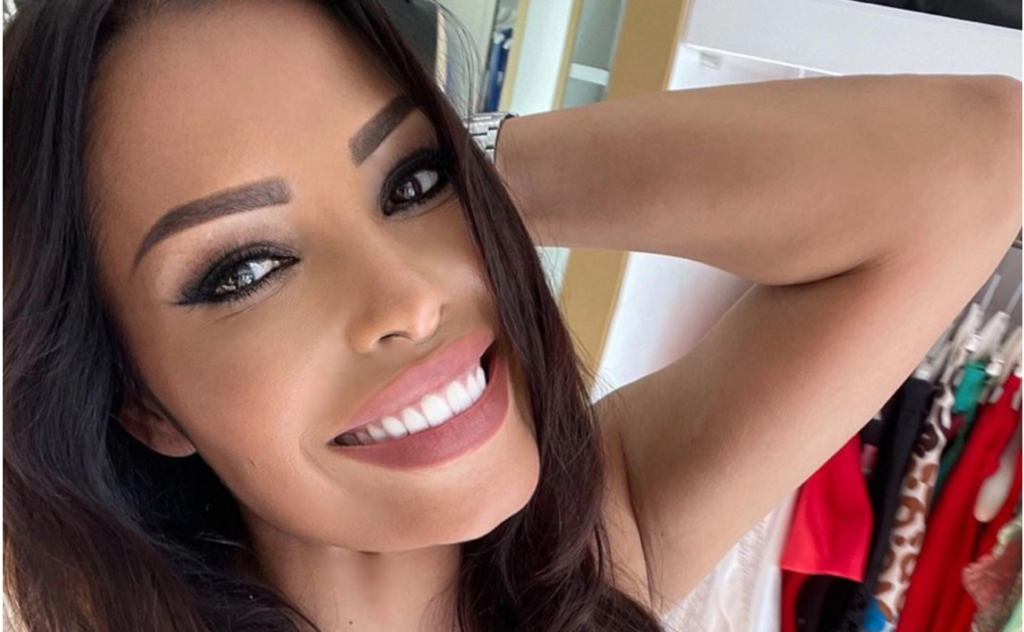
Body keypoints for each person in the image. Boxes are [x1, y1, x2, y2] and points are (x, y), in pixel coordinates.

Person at [2, 0, 1020, 630]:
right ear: (138, 398)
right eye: (247, 267)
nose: (410, 295)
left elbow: (981, 156)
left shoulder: (596, 537)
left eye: (412, 181)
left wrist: (473, 171)